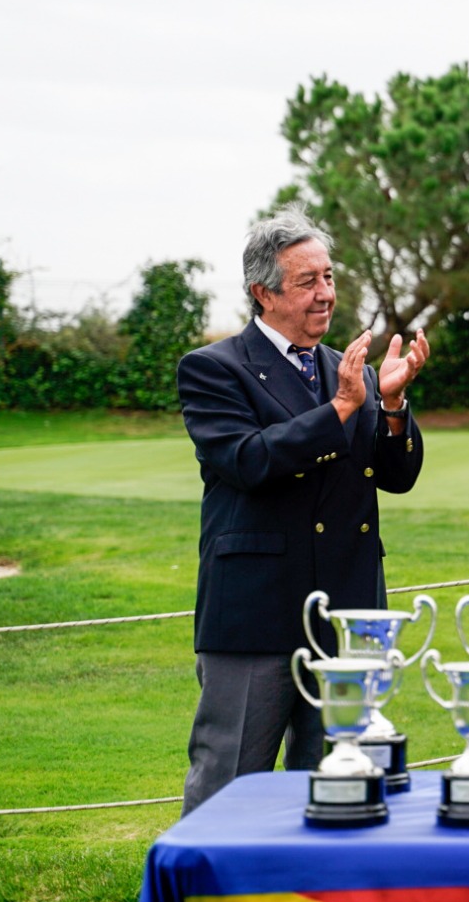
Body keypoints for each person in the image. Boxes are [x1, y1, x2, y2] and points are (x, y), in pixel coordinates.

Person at [178, 203, 429, 814]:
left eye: (329, 278)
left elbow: (397, 477)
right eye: (307, 281)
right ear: (263, 293)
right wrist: (343, 408)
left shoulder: (348, 370)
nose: (325, 294)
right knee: (229, 787)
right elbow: (249, 461)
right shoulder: (214, 370)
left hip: (347, 615)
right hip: (257, 614)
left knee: (342, 787)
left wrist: (390, 405)